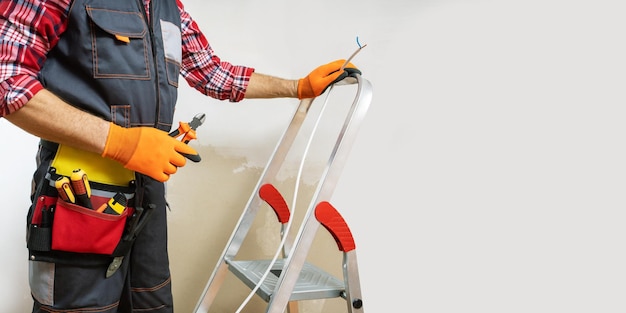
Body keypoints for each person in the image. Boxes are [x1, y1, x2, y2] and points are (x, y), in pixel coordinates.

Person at [0, 0, 360, 311]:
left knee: (149, 301)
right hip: (79, 195)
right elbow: (7, 81)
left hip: (146, 195)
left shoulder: (168, 7)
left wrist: (297, 87)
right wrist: (121, 143)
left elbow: (213, 73)